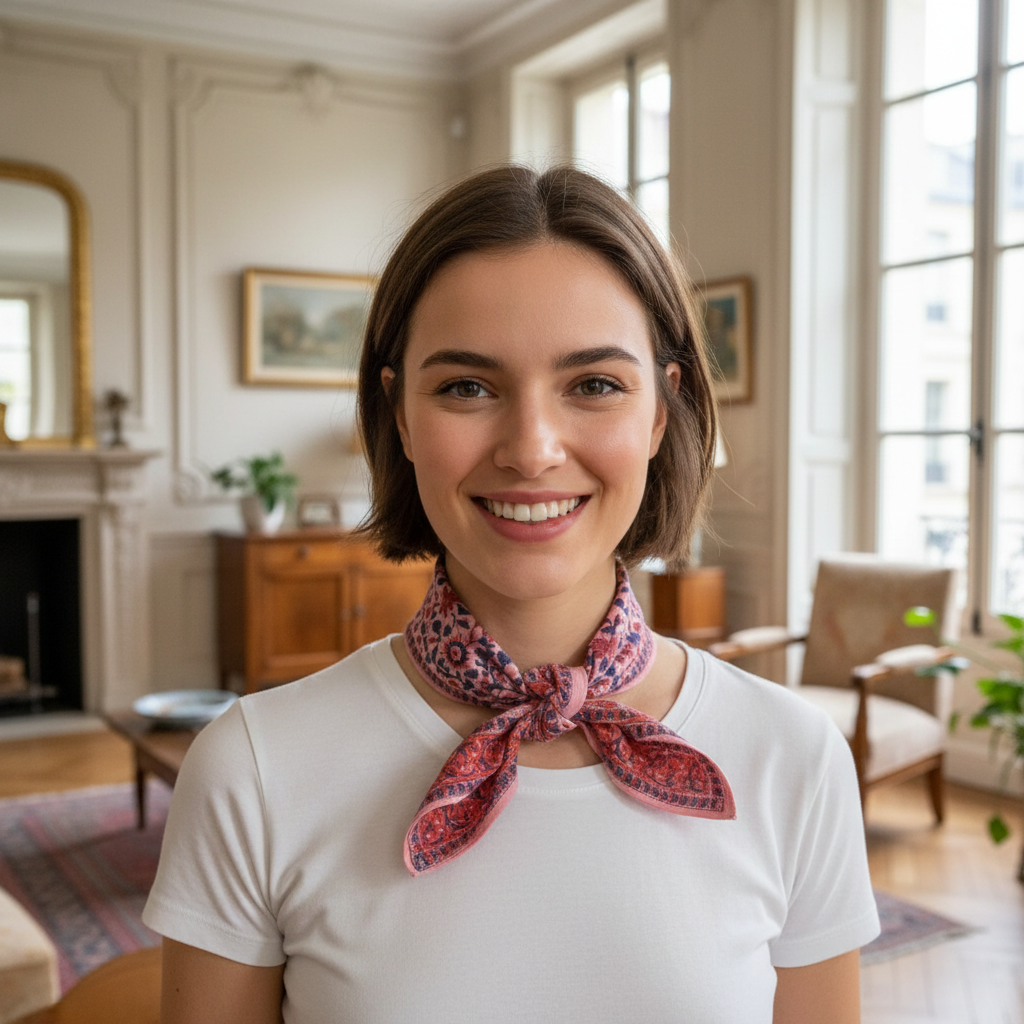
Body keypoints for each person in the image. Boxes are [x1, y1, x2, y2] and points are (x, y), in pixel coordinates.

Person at [145, 165, 880, 1024]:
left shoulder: (795, 758)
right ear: (402, 416)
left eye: (595, 384)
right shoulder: (253, 769)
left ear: (658, 412)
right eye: (466, 387)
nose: (531, 450)